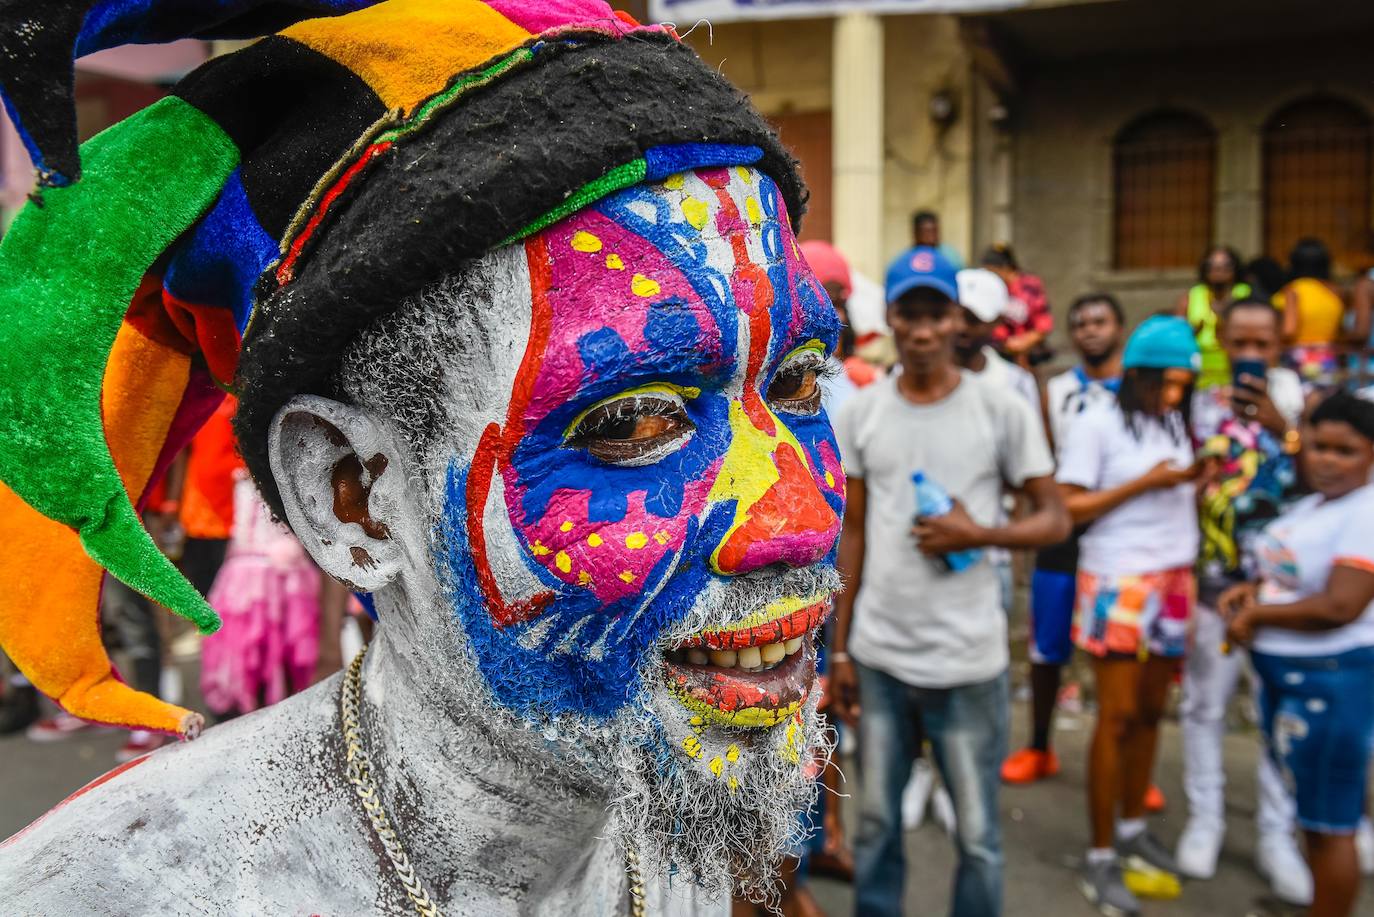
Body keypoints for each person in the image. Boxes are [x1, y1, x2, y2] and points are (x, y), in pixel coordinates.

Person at [0, 3, 846, 913]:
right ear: (352, 499)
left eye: (798, 383)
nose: (799, 517)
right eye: (636, 419)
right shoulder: (109, 895)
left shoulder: (683, 827)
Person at [830, 245, 1070, 917]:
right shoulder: (864, 412)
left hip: (969, 662)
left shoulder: (1001, 410)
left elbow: (1054, 519)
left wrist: (981, 534)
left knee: (979, 837)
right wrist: (841, 650)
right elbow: (855, 531)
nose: (925, 329)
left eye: (938, 313)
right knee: (876, 827)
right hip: (880, 659)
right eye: (911, 313)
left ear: (958, 318)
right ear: (894, 320)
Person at [1055, 316, 1203, 916]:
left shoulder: (1173, 418)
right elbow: (1070, 506)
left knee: (1149, 714)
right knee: (1114, 719)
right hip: (1117, 581)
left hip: (1173, 579)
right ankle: (1099, 856)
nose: (1173, 396)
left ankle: (1135, 828)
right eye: (1163, 384)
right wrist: (1148, 482)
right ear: (1136, 375)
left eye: (1182, 385)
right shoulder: (1097, 421)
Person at [1176, 299, 1311, 903]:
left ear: (1281, 342)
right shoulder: (1203, 402)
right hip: (1211, 582)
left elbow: (1324, 478)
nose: (1251, 356)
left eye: (1262, 344)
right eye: (1241, 344)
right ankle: (1206, 818)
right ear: (1224, 343)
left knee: (1275, 713)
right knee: (1204, 705)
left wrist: (1285, 426)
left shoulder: (1304, 399)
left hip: (1284, 592)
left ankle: (1276, 834)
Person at [1223, 391, 1374, 917]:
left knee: (1331, 825)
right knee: (1313, 818)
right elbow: (1292, 580)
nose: (1327, 460)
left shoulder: (1365, 512)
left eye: (1345, 450)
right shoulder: (1318, 504)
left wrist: (1258, 616)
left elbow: (1341, 604)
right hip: (1295, 684)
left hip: (1331, 684)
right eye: (1319, 446)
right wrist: (1253, 595)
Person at [1002, 293, 1124, 785]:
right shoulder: (1054, 390)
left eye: (1100, 321)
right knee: (1045, 648)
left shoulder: (1138, 391)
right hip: (1065, 536)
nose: (1090, 330)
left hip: (1118, 538)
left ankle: (1126, 761)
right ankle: (1039, 747)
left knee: (1116, 654)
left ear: (1119, 328)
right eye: (1080, 323)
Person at [1172, 246, 1251, 390]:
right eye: (1212, 266)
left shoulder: (1245, 294)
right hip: (1199, 372)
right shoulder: (1192, 296)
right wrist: (1194, 331)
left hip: (1235, 368)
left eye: (1225, 266)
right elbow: (1177, 336)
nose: (1219, 270)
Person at [1280, 237, 1346, 389]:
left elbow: (1289, 330)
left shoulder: (1293, 290)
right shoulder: (1335, 291)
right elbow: (1341, 330)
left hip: (1298, 360)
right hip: (1329, 359)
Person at [981, 243, 1052, 367]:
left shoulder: (1029, 286)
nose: (990, 277)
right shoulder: (989, 287)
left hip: (1024, 355)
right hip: (995, 350)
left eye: (993, 272)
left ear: (1006, 268)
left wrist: (1023, 342)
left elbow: (1043, 324)